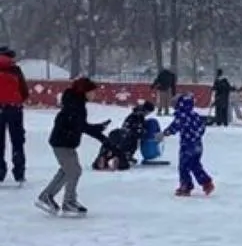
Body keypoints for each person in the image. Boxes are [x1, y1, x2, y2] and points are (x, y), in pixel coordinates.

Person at [36, 77, 112, 215]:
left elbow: (80, 125)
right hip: (62, 142)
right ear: (84, 92)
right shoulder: (75, 105)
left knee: (67, 170)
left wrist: (98, 128)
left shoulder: (77, 103)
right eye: (92, 92)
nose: (94, 95)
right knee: (74, 171)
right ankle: (68, 202)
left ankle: (47, 197)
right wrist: (102, 137)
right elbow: (81, 126)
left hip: (66, 142)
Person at [160, 93, 215, 196]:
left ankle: (185, 186)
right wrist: (196, 136)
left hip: (187, 145)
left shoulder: (181, 116)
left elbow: (174, 127)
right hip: (198, 144)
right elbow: (202, 128)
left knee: (183, 166)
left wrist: (164, 134)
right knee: (195, 165)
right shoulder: (196, 115)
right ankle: (206, 182)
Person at [92, 102, 155, 171]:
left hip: (118, 136)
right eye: (149, 112)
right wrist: (145, 133)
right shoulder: (139, 116)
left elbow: (127, 127)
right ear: (146, 110)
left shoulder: (134, 114)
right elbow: (137, 131)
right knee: (123, 157)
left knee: (111, 148)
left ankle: (104, 158)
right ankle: (120, 159)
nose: (148, 114)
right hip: (126, 139)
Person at [0, 46, 29, 185]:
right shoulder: (15, 69)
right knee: (17, 141)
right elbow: (24, 91)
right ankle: (19, 171)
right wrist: (16, 101)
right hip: (14, 109)